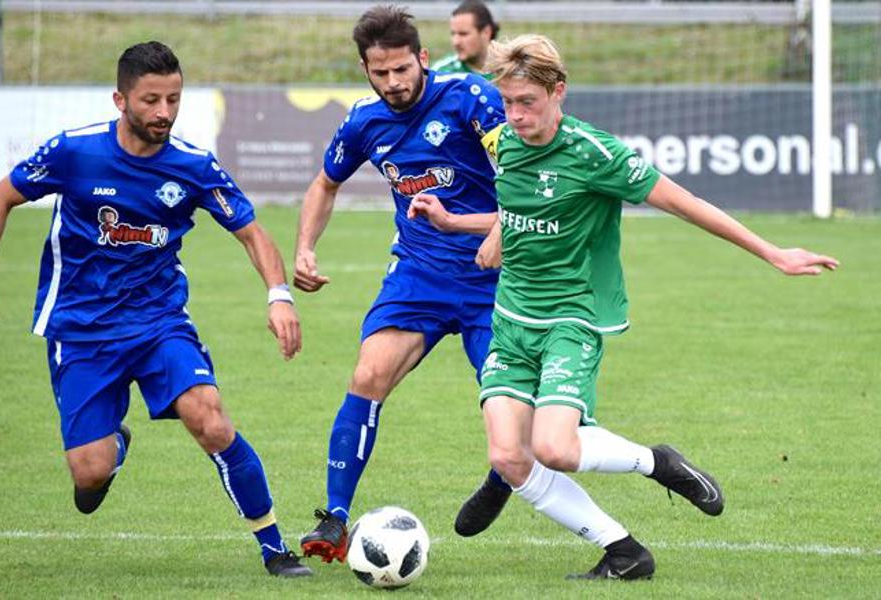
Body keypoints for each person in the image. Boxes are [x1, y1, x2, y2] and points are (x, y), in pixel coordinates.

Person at [470, 34, 839, 579]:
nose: (516, 115)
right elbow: (515, 196)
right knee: (507, 457)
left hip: (571, 318)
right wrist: (497, 235)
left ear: (558, 91)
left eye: (527, 102)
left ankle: (656, 462)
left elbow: (687, 205)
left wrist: (772, 252)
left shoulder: (596, 155)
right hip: (511, 320)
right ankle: (624, 552)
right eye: (507, 103)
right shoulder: (502, 143)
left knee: (555, 448)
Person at [0, 41, 312, 578]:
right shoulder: (74, 153)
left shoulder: (193, 166)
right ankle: (115, 444)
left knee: (209, 418)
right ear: (121, 99)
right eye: (151, 101)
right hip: (82, 327)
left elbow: (252, 234)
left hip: (159, 320)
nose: (164, 112)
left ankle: (275, 547)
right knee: (89, 472)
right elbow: (1, 196)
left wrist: (278, 296)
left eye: (173, 99)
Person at [293, 4, 513, 563]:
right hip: (418, 275)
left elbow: (521, 178)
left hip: (493, 278)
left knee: (507, 409)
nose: (392, 83)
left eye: (401, 70)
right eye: (379, 72)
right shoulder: (365, 122)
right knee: (368, 374)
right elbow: (325, 183)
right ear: (366, 69)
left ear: (421, 58)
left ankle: (503, 475)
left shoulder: (470, 99)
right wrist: (305, 248)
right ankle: (336, 518)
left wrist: (501, 232)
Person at [430, 0, 499, 79]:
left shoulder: (510, 70)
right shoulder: (441, 74)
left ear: (486, 32)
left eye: (463, 34)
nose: (456, 42)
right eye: (453, 34)